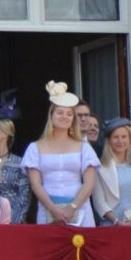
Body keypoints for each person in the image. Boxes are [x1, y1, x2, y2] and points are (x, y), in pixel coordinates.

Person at [21, 81, 99, 227]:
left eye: (69, 114)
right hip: (48, 208)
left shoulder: (84, 147)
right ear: (51, 116)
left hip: (80, 208)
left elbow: (89, 182)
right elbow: (35, 184)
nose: (65, 117)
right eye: (60, 112)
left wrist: (72, 207)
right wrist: (52, 209)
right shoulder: (35, 147)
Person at [92, 118, 131, 226]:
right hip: (112, 225)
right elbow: (99, 202)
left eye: (124, 136)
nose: (120, 141)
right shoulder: (99, 168)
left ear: (130, 139)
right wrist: (117, 222)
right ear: (109, 140)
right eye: (115, 137)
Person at [0, 118, 30, 225]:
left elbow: (24, 197)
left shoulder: (19, 163)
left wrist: (13, 223)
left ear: (5, 133)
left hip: (14, 223)